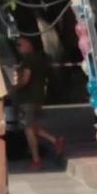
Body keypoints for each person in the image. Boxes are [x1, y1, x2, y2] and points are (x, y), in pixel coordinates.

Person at [12, 35, 66, 169]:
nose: (18, 48)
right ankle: (55, 140)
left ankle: (36, 159)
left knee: (28, 129)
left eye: (20, 44)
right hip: (36, 97)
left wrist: (13, 88)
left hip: (27, 98)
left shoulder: (29, 61)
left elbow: (25, 79)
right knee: (30, 126)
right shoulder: (39, 59)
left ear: (29, 44)